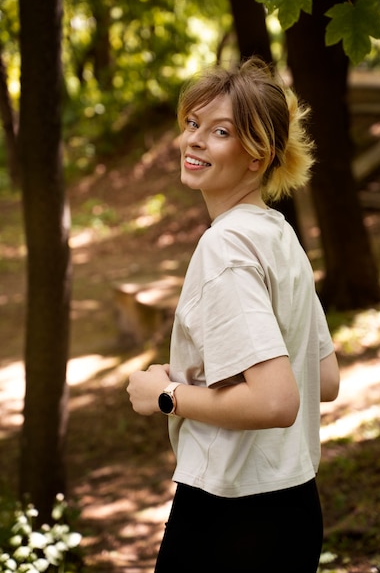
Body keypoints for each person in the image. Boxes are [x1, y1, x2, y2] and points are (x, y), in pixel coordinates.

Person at [127, 57, 340, 573]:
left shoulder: (226, 246)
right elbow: (325, 379)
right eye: (192, 124)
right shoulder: (278, 234)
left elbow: (275, 401)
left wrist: (165, 396)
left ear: (258, 156)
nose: (194, 140)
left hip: (231, 519)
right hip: (293, 511)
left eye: (220, 131)